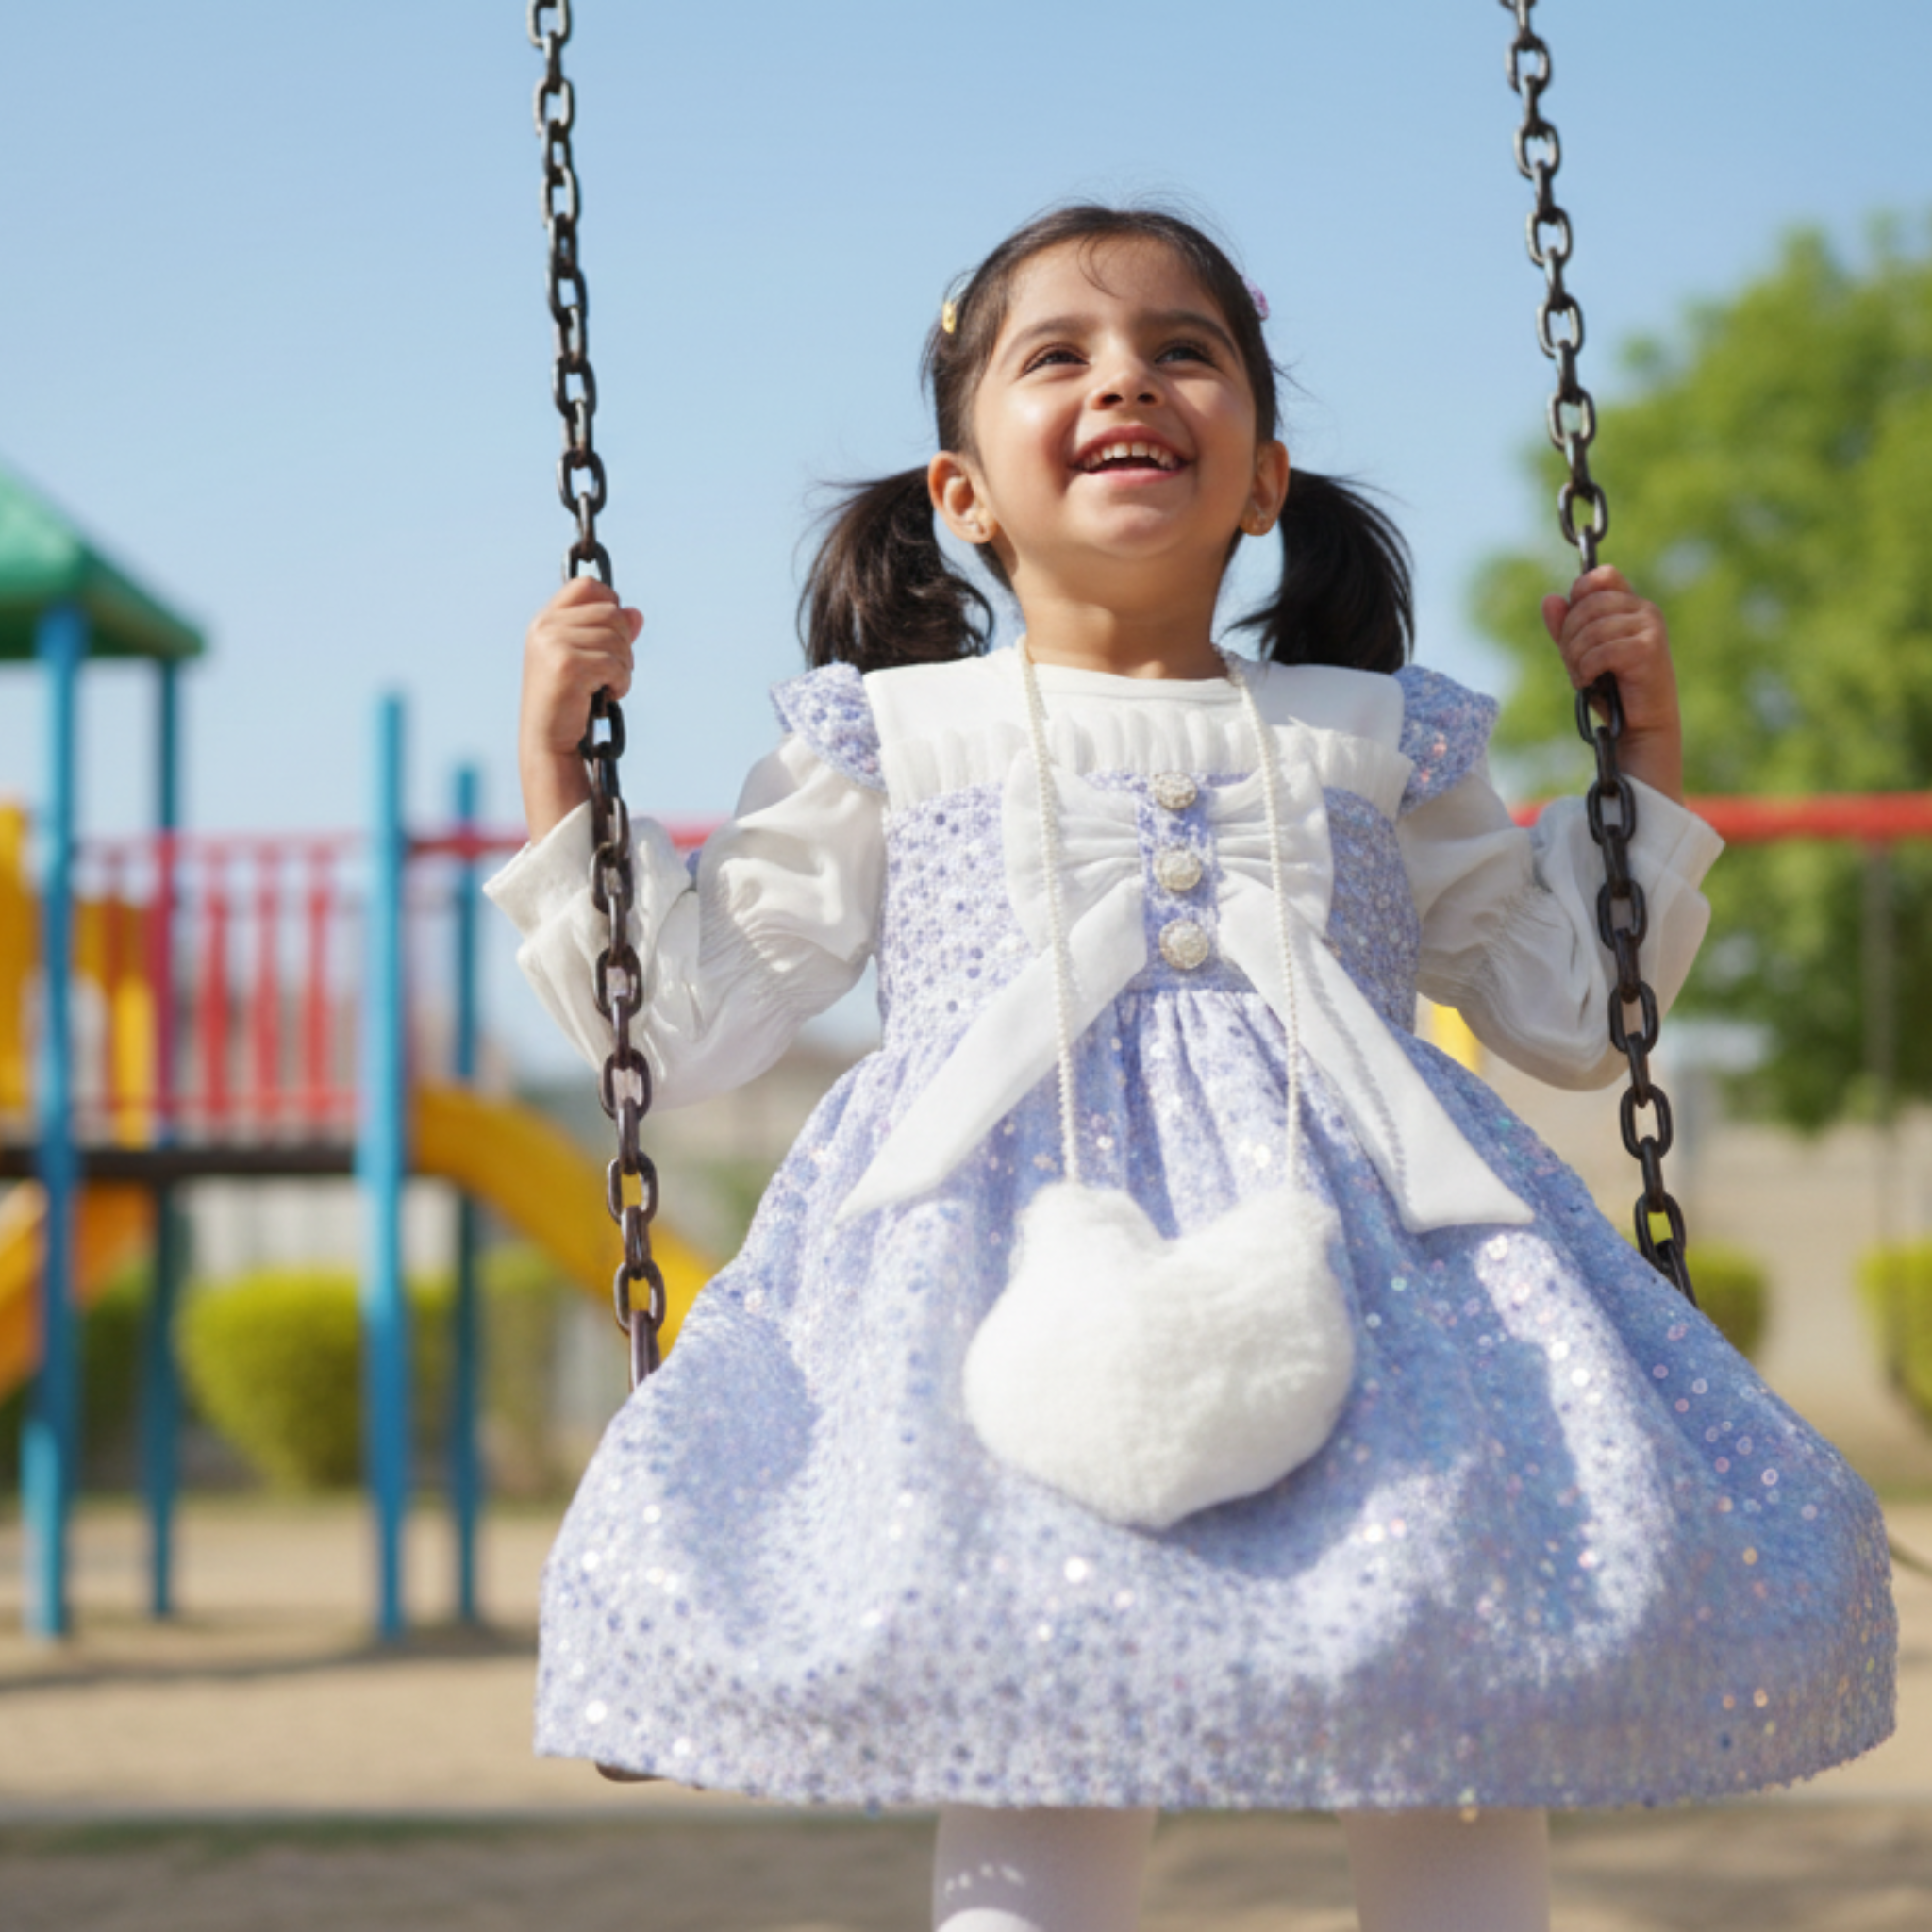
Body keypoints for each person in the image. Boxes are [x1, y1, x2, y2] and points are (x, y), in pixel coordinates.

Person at [488, 205, 1895, 1932]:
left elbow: (1560, 1012)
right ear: (963, 494)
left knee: (1451, 1665)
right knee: (1036, 1708)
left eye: (1182, 350)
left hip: (1388, 1272)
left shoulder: (1373, 731)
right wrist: (568, 776)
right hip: (983, 1288)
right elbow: (685, 1022)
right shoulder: (896, 733)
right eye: (1057, 356)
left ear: (1261, 478)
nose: (1125, 382)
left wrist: (1642, 757)